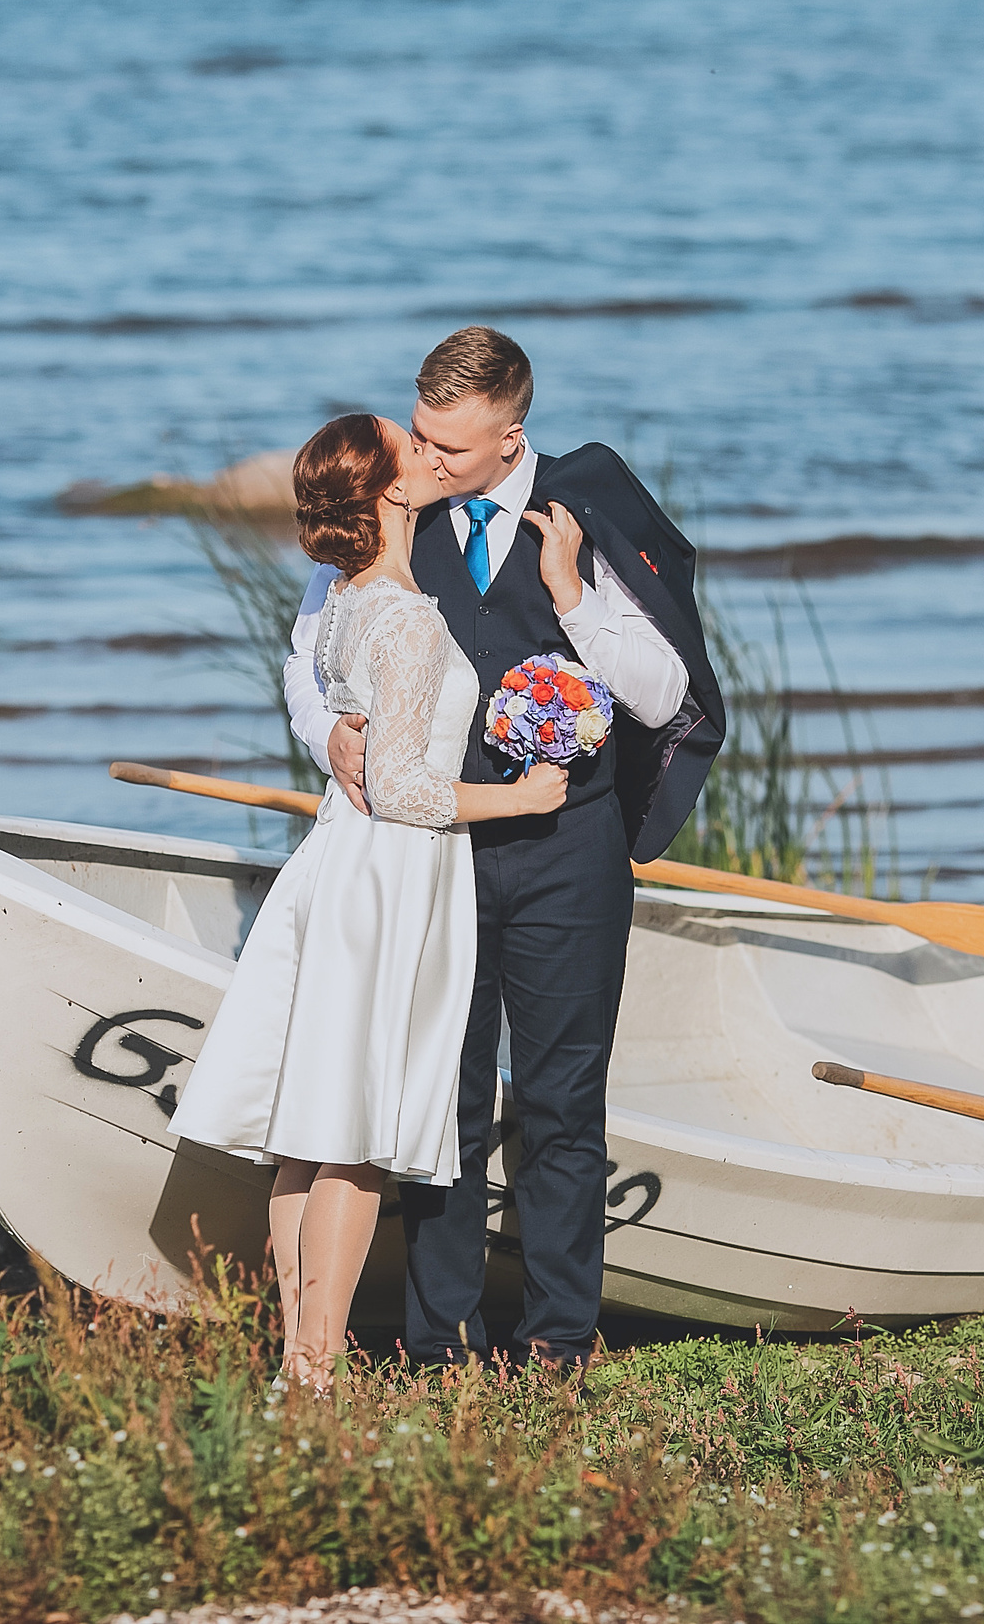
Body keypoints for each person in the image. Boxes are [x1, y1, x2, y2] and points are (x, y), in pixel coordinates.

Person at [282, 327, 726, 1371]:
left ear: (510, 438)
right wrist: (332, 731)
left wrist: (571, 597)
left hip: (571, 849)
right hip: (433, 853)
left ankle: (559, 1343)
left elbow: (665, 695)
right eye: (420, 437)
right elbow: (310, 655)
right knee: (443, 1094)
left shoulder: (587, 510)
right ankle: (437, 1339)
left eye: (449, 450)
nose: (423, 464)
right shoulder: (394, 518)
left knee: (564, 1100)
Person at [170, 411, 569, 1393]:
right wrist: (519, 796)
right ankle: (314, 1371)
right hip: (391, 875)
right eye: (413, 445)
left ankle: (298, 1362)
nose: (433, 455)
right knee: (352, 1140)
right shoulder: (405, 616)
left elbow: (365, 747)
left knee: (310, 1139)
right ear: (391, 491)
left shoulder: (348, 603)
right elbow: (404, 788)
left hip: (343, 864)